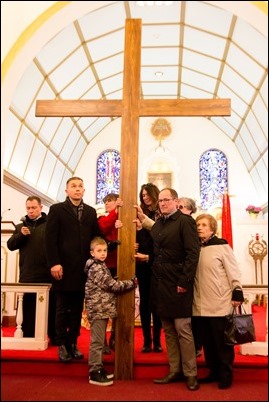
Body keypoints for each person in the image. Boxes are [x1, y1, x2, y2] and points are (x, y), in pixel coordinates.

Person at [149, 188, 200, 391]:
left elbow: (192, 254)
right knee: (168, 330)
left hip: (178, 283)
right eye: (160, 201)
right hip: (161, 284)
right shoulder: (159, 224)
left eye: (166, 200)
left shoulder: (185, 221)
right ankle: (175, 370)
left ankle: (191, 373)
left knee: (183, 330)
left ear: (175, 201)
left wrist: (184, 281)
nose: (162, 203)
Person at [45, 176, 101, 362]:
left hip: (82, 270)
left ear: (84, 191)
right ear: (67, 190)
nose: (77, 189)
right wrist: (54, 262)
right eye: (73, 186)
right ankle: (61, 344)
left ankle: (73, 343)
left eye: (80, 186)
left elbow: (96, 237)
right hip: (62, 267)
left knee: (77, 309)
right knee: (62, 308)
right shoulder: (57, 210)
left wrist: (113, 237)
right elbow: (50, 239)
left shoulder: (91, 212)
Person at [193, 213, 244, 389]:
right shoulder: (195, 248)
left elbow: (233, 270)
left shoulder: (222, 246)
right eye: (198, 224)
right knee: (208, 343)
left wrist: (237, 290)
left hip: (218, 303)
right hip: (200, 305)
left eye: (204, 225)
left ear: (212, 228)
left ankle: (226, 374)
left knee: (222, 343)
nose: (200, 227)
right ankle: (213, 372)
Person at [85, 236, 137, 386]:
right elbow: (111, 285)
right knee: (97, 342)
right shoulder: (95, 267)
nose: (103, 253)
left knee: (100, 341)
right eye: (99, 251)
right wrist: (131, 283)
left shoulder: (101, 265)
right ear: (92, 253)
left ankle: (99, 369)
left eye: (105, 250)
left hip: (102, 308)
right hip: (98, 308)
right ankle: (94, 372)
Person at [7, 196, 56, 343]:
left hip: (47, 273)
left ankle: (53, 336)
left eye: (34, 207)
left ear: (41, 207)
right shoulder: (20, 226)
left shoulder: (49, 225)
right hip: (27, 274)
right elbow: (10, 245)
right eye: (28, 208)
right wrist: (21, 235)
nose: (31, 211)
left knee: (51, 307)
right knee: (28, 308)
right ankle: (28, 335)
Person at [134, 183, 163, 353]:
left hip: (157, 262)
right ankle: (146, 340)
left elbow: (161, 239)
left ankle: (158, 341)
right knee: (145, 303)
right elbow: (142, 240)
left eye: (147, 194)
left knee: (156, 303)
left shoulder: (160, 215)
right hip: (143, 264)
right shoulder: (140, 215)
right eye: (142, 195)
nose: (145, 197)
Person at [97, 192, 123, 353]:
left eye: (110, 201)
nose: (107, 204)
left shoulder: (122, 218)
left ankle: (115, 337)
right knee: (105, 304)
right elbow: (104, 226)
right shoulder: (103, 218)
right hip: (107, 265)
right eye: (106, 201)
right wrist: (116, 212)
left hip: (120, 264)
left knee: (118, 305)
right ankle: (104, 340)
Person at [177, 197, 202, 357]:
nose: (178, 209)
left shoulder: (188, 223)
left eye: (181, 206)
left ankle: (196, 346)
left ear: (190, 209)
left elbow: (192, 253)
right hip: (183, 275)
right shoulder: (179, 222)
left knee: (193, 317)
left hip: (190, 276)